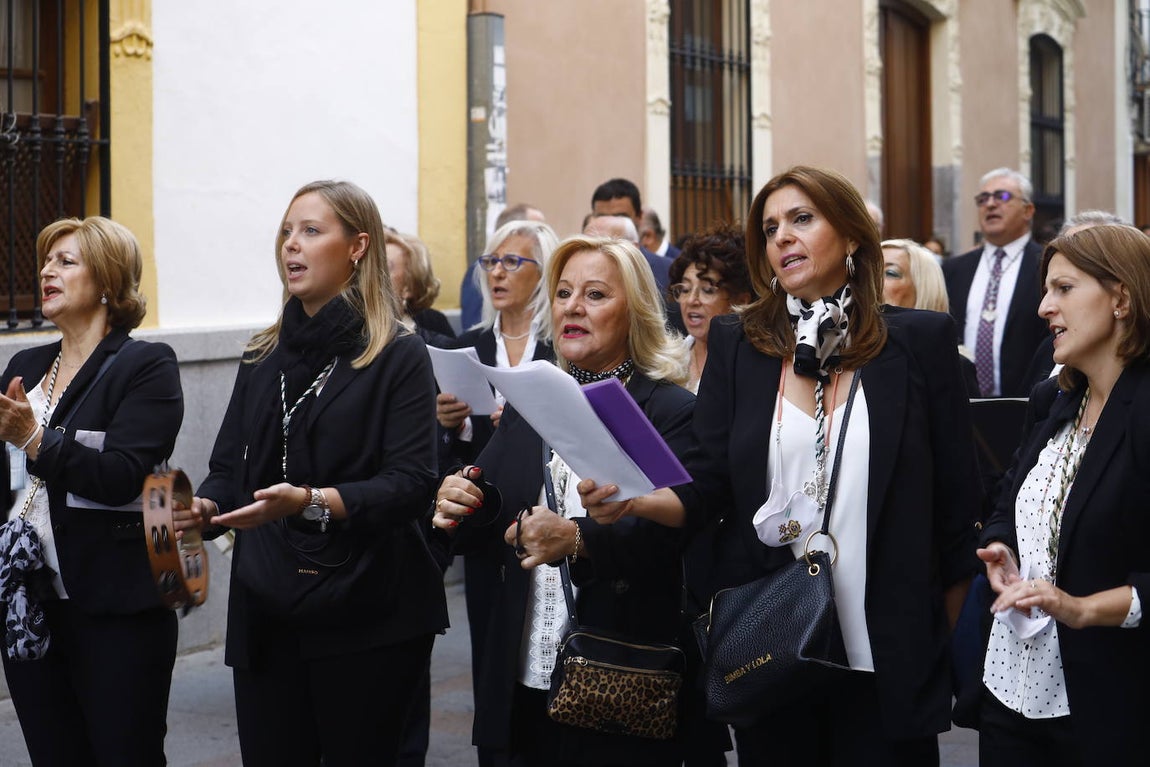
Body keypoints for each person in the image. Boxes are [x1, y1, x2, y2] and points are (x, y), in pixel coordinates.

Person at [579, 166, 981, 765]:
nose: (782, 238)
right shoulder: (740, 343)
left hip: (889, 650)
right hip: (769, 643)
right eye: (770, 229)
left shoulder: (920, 341)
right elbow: (706, 482)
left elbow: (958, 507)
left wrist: (938, 635)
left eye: (801, 219)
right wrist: (634, 500)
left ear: (850, 236)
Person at [187, 180, 446, 766]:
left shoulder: (397, 353)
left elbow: (411, 484)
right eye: (285, 232)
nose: (290, 247)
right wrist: (204, 509)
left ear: (357, 247)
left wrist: (310, 500)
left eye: (310, 231)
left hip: (367, 610)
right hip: (267, 604)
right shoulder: (261, 354)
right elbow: (229, 467)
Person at [431, 236, 695, 766]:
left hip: (619, 670)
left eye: (595, 294)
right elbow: (494, 505)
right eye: (565, 292)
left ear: (635, 311)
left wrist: (578, 539)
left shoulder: (670, 409)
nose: (573, 306)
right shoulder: (535, 398)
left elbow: (682, 534)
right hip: (522, 667)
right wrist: (458, 499)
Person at [0, 216, 184, 765]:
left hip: (116, 609)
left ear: (106, 281)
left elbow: (121, 475)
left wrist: (33, 437)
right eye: (46, 260)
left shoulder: (144, 366)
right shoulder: (24, 365)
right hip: (29, 607)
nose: (47, 271)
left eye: (66, 261)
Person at [976, 224, 1150, 764]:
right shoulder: (1054, 395)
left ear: (1121, 297)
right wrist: (1003, 546)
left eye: (1064, 289)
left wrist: (1079, 608)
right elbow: (1011, 496)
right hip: (1010, 688)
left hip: (1108, 701)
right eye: (1045, 291)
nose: (1044, 307)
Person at [438, 220, 559, 467]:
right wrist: (452, 424)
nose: (496, 272)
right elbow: (450, 452)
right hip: (480, 490)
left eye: (511, 262)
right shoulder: (465, 347)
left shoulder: (563, 347)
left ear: (543, 272)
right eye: (491, 262)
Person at [942, 167, 1048, 397]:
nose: (990, 204)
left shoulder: (1047, 265)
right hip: (963, 403)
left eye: (1002, 197)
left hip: (1027, 403)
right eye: (983, 199)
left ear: (1028, 210)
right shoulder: (954, 269)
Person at [880, 238, 978, 396]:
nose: (871, 280)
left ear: (923, 290)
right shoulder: (842, 359)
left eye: (890, 273)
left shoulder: (952, 367)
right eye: (867, 271)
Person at [668, 223, 754, 392]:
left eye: (707, 290)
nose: (692, 300)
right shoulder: (670, 359)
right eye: (685, 289)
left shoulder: (750, 366)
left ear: (742, 301)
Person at [460, 203, 546, 330]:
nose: (496, 272)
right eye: (536, 228)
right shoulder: (479, 272)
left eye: (511, 262)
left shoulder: (559, 341)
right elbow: (473, 324)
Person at [384, 229, 455, 341]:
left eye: (385, 267)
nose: (371, 274)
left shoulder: (437, 346)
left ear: (409, 287)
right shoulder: (353, 333)